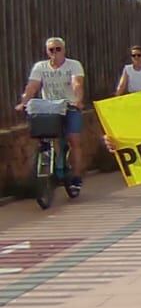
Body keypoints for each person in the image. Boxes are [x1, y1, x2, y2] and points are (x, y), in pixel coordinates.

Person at [16, 36, 86, 194]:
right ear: (47, 52)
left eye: (58, 49)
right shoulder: (40, 67)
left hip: (69, 106)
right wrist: (23, 102)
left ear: (64, 50)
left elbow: (77, 83)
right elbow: (32, 86)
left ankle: (76, 177)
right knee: (45, 137)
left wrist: (78, 100)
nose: (55, 52)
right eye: (51, 49)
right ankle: (47, 172)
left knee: (74, 140)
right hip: (50, 108)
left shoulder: (73, 65)